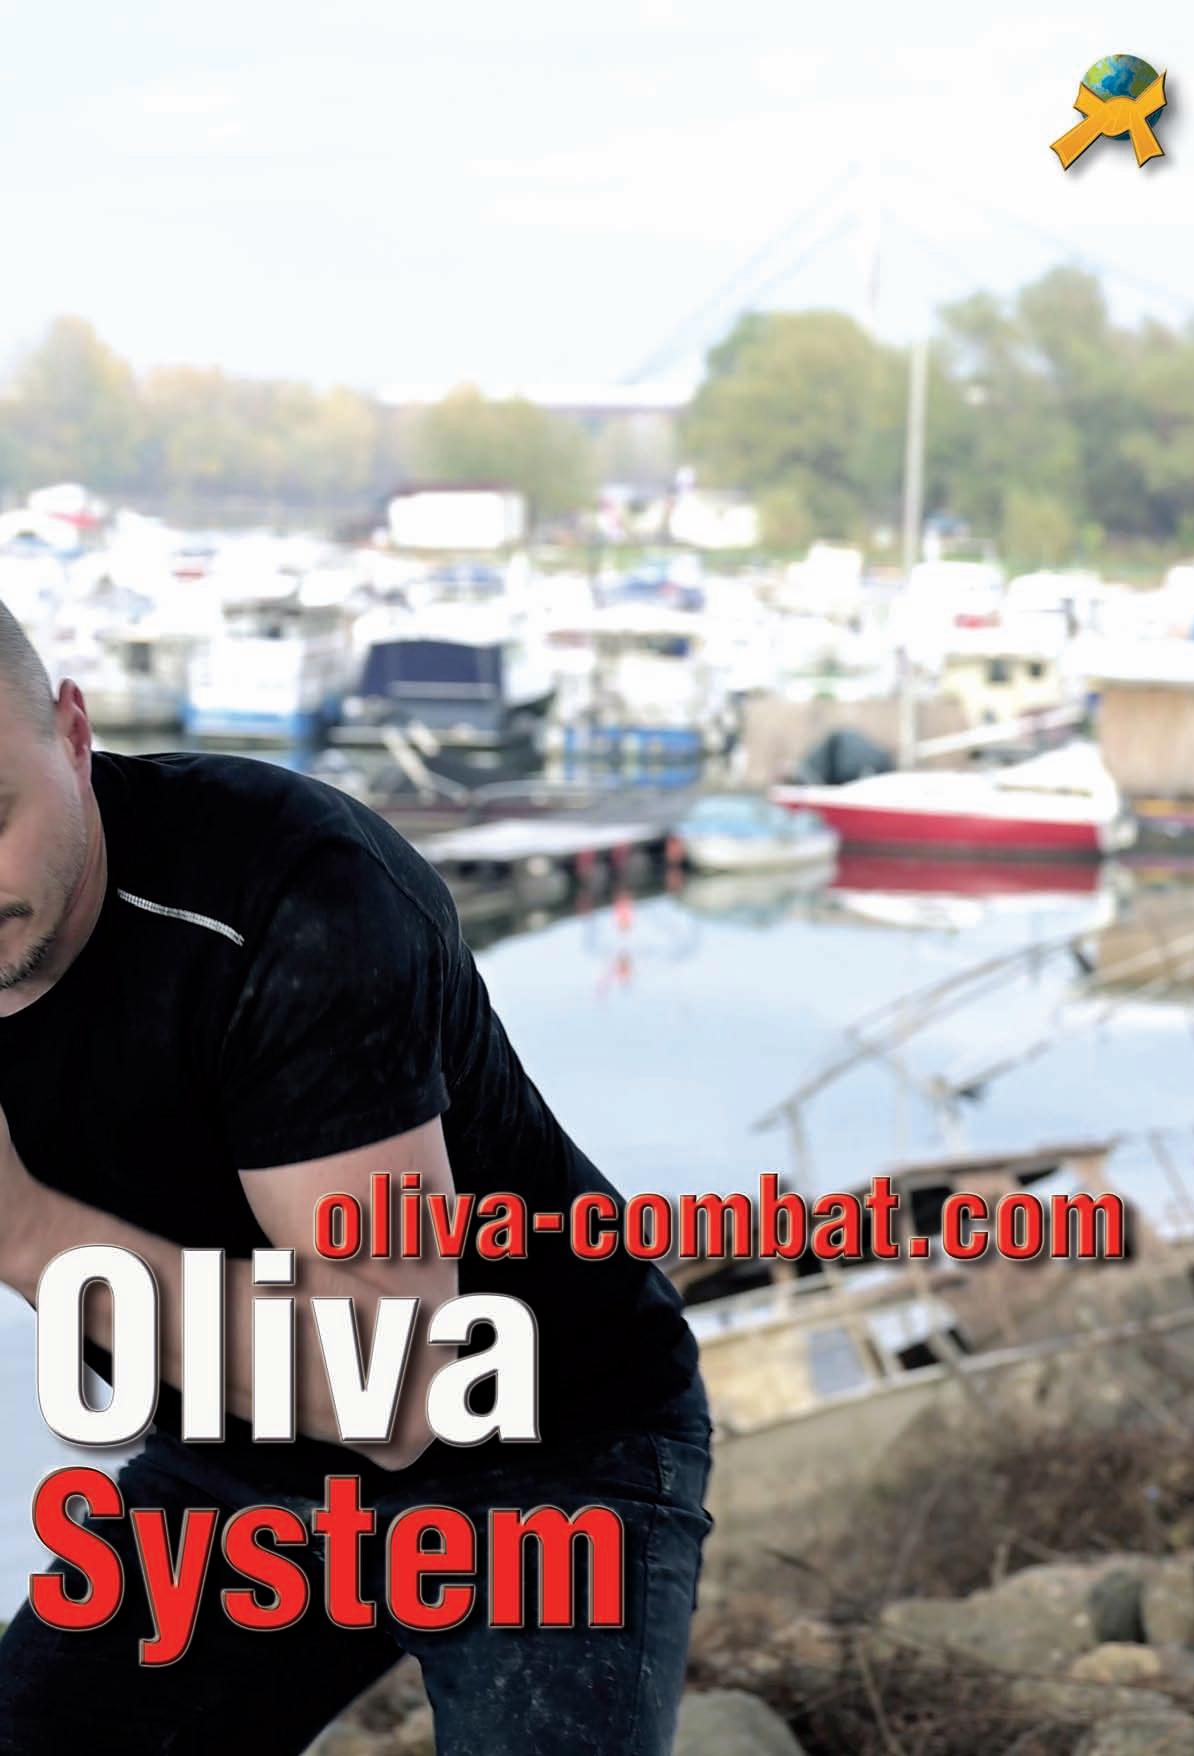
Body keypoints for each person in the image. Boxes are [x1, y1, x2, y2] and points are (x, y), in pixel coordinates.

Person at [0, 600, 714, 1755]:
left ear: (75, 735)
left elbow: (402, 1384)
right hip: (238, 1448)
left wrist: (24, 1232)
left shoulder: (290, 898)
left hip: (546, 1438)